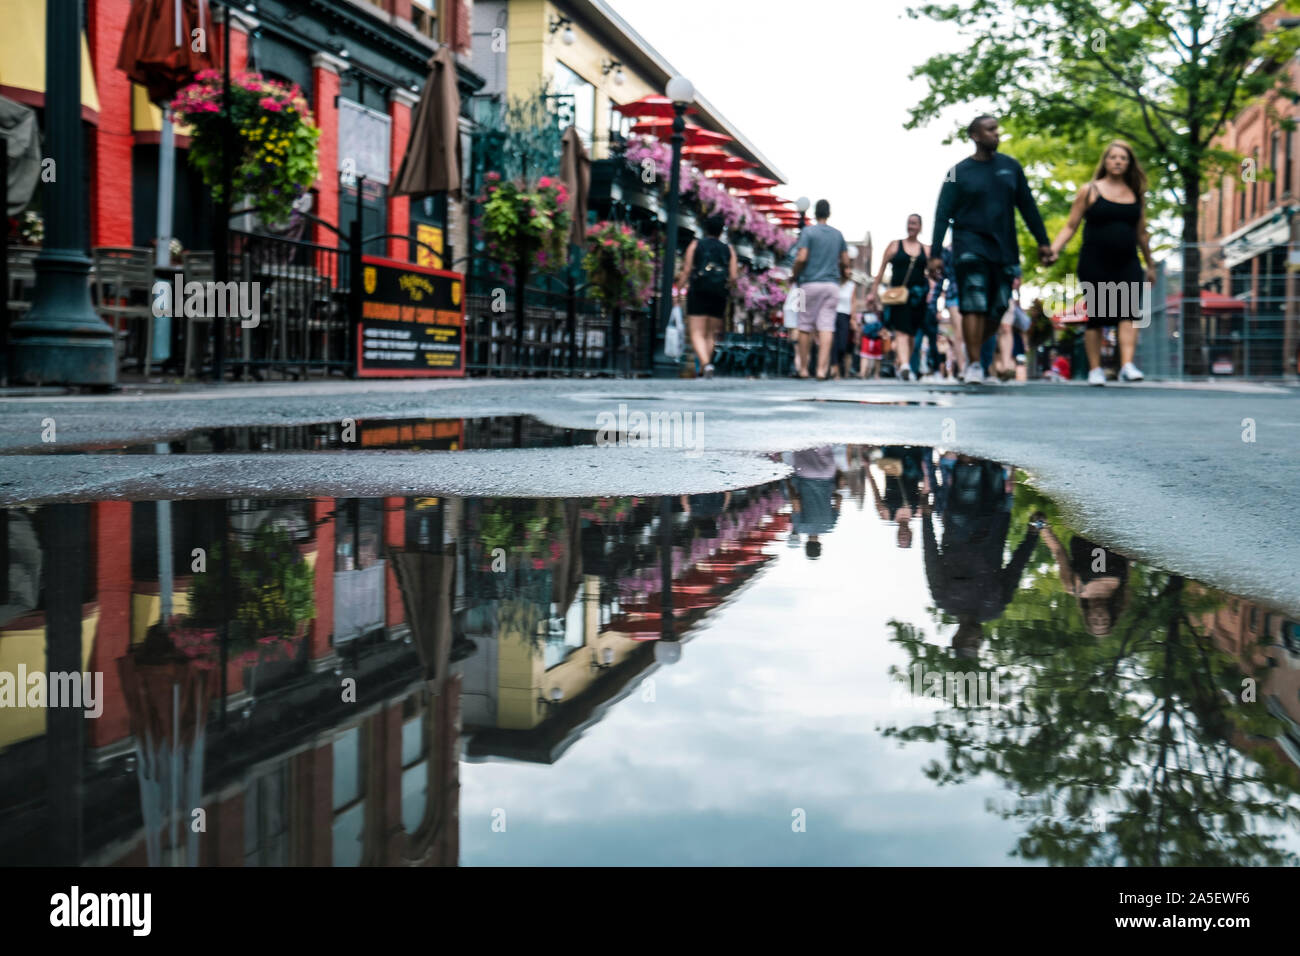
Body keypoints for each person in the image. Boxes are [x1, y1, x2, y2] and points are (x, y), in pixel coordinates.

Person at [930, 115, 1055, 384]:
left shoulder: (1011, 168)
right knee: (973, 304)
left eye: (997, 129)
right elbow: (942, 214)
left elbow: (1028, 207)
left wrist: (1043, 241)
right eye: (990, 130)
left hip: (1004, 249)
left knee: (997, 309)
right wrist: (936, 254)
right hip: (969, 245)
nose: (996, 134)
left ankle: (970, 348)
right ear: (975, 135)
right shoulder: (957, 172)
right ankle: (974, 363)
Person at [1048, 139, 1155, 385]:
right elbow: (1070, 225)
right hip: (1095, 261)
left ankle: (1127, 365)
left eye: (1123, 158)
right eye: (1113, 157)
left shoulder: (1135, 194)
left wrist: (1150, 264)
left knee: (1128, 313)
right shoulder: (1090, 190)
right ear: (1105, 161)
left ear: (1129, 164)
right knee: (1096, 315)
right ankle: (1095, 370)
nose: (1118, 161)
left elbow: (1142, 233)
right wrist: (1054, 250)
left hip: (1127, 262)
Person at [1036, 514, 1128, 636]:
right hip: (1115, 523)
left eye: (1095, 621)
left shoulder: (1073, 587)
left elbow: (1059, 552)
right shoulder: (1121, 590)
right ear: (1111, 616)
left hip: (1086, 520)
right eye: (1104, 620)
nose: (1099, 617)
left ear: (1087, 616)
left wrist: (1042, 527)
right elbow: (1128, 554)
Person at [791, 199, 851, 380]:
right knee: (826, 327)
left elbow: (801, 258)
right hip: (831, 286)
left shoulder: (808, 232)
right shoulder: (838, 235)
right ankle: (821, 370)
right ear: (829, 213)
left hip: (806, 285)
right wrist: (841, 275)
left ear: (815, 213)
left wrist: (794, 274)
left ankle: (803, 369)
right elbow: (846, 262)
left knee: (804, 325)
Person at [677, 213, 738, 379]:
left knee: (696, 332)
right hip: (719, 293)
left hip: (698, 290)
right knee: (710, 334)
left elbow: (687, 269)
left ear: (705, 229)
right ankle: (705, 368)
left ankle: (705, 364)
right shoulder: (729, 249)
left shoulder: (696, 245)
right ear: (721, 231)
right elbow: (733, 276)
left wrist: (678, 289)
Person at [870, 214, 930, 381]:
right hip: (899, 297)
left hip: (918, 299)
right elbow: (881, 271)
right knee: (901, 332)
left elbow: (932, 275)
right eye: (909, 223)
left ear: (920, 227)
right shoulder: (895, 246)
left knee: (912, 335)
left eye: (915, 223)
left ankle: (904, 363)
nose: (911, 226)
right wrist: (872, 293)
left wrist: (932, 292)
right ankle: (904, 365)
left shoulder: (926, 250)